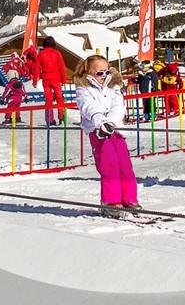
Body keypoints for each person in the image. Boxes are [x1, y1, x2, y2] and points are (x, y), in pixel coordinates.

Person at [76, 55, 141, 218]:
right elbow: (88, 107)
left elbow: (118, 105)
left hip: (115, 129)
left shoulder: (113, 85)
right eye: (99, 73)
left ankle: (129, 199)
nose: (104, 75)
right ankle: (111, 202)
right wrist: (101, 122)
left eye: (106, 71)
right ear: (90, 72)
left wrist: (111, 122)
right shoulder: (84, 88)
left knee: (124, 165)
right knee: (109, 165)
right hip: (98, 131)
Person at [36, 43, 69, 124]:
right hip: (56, 79)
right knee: (59, 98)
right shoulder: (57, 53)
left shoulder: (41, 54)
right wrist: (64, 80)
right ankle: (61, 116)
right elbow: (62, 67)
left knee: (48, 100)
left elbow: (37, 68)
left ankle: (49, 119)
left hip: (46, 79)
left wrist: (34, 80)